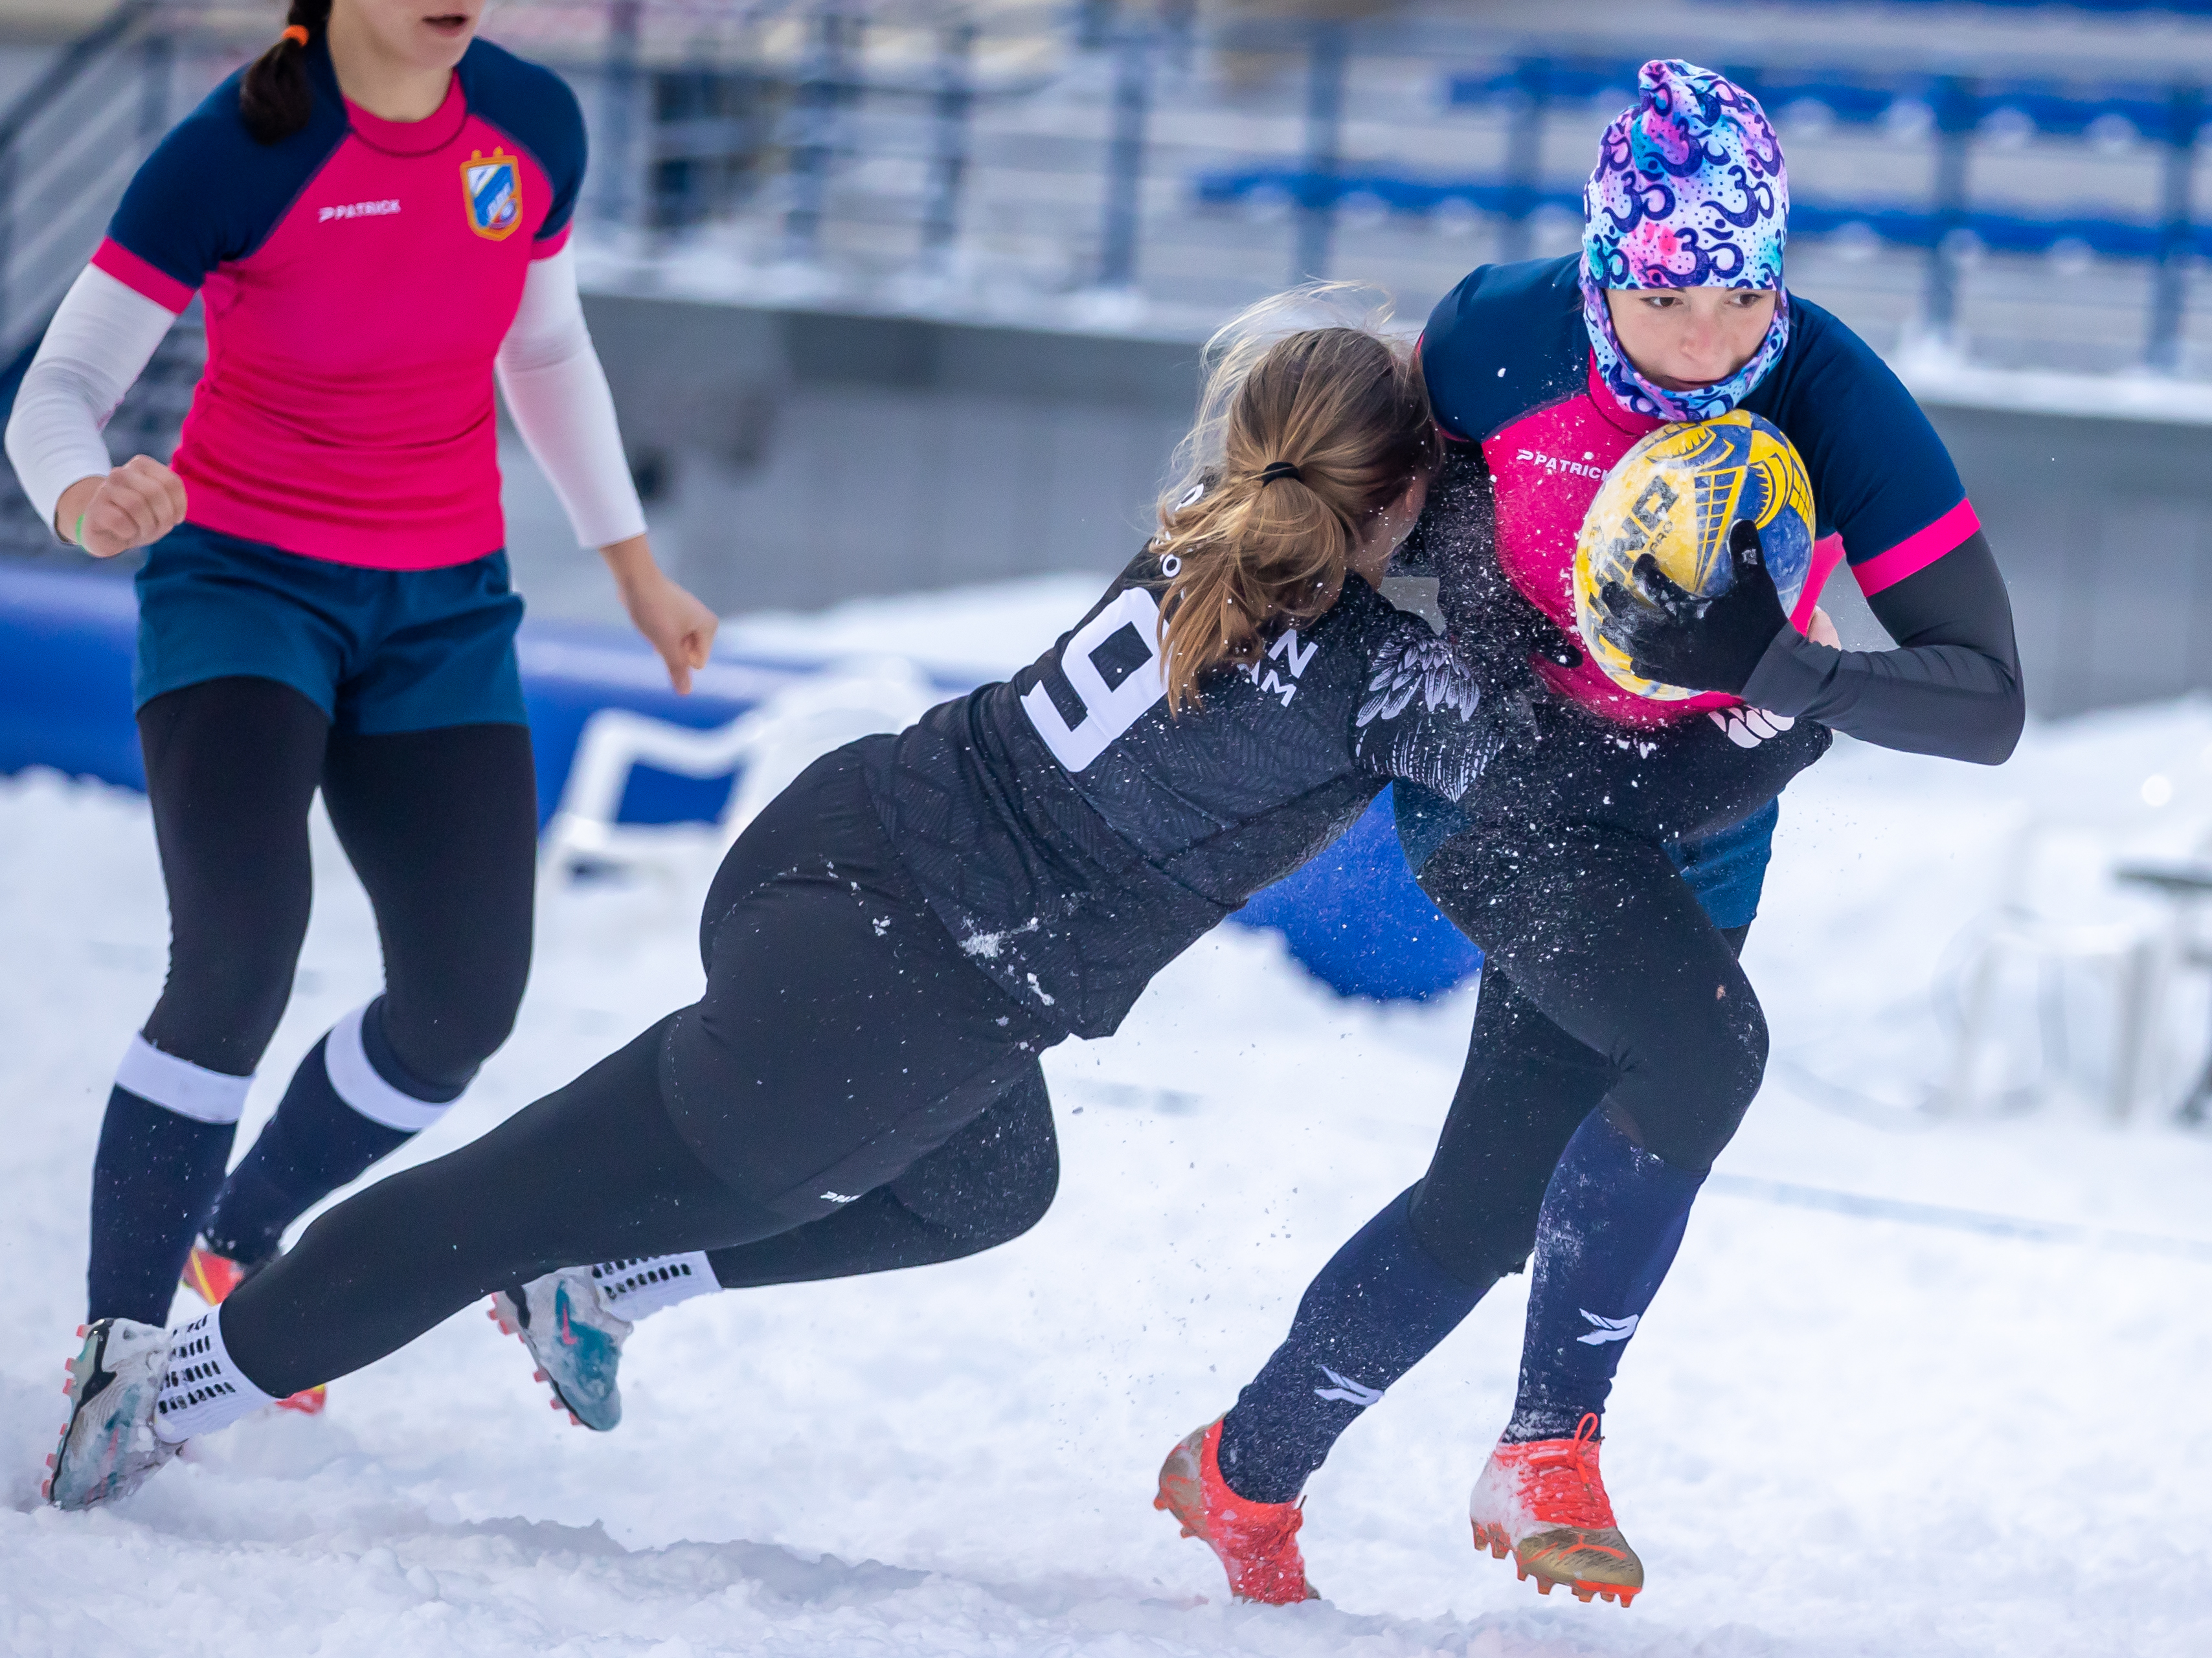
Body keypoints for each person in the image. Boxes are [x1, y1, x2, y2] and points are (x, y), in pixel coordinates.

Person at [44, 300, 1827, 1512]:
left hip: (837, 845)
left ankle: (605, 1287)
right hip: (893, 996)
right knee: (482, 1213)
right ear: (1408, 503)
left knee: (992, 1180)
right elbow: (1614, 788)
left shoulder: (1207, 530)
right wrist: (1786, 698)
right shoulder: (1376, 681)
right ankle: (157, 1403)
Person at [1171, 60, 2024, 1609]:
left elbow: (1986, 702)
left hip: (1702, 816)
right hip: (1508, 786)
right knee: (1705, 1053)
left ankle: (1245, 1463)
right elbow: (1378, 519)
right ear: (1599, 269)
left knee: (1486, 1203)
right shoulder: (1492, 335)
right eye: (1663, 299)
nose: (1705, 342)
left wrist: (1784, 673)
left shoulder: (1833, 397)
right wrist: (1494, 652)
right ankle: (1547, 1445)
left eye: (1741, 299)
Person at [3, 0, 717, 1385]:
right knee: (237, 960)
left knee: (462, 1007)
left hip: (442, 606)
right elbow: (61, 388)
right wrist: (89, 498)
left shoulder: (531, 122)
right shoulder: (232, 152)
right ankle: (119, 1353)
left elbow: (545, 346)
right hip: (244, 589)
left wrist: (630, 564)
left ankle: (239, 1235)